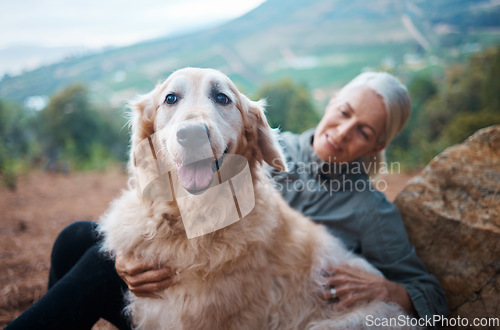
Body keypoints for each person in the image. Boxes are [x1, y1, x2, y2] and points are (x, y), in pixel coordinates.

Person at [6, 72, 448, 329]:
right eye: (345, 112)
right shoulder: (275, 146)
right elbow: (161, 201)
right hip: (195, 283)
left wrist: (391, 290)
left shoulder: (370, 210)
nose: (344, 131)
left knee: (99, 270)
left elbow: (431, 295)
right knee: (76, 239)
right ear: (333, 101)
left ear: (376, 147)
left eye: (365, 132)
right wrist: (126, 259)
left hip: (265, 307)